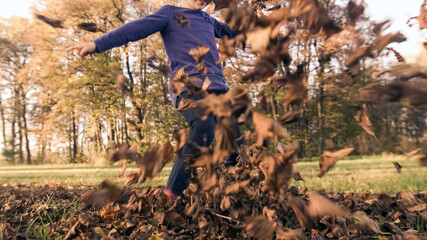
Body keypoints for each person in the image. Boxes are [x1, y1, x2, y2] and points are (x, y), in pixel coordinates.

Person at [68, 0, 242, 200]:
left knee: (236, 141)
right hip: (188, 86)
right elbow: (133, 29)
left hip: (218, 88)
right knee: (204, 128)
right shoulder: (170, 14)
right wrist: (96, 44)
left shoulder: (208, 20)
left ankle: (229, 188)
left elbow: (235, 33)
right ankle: (173, 193)